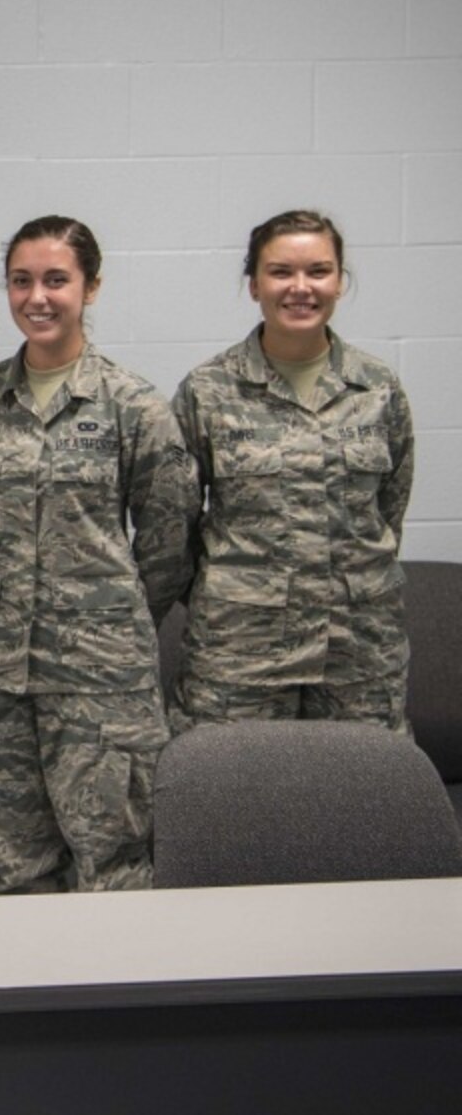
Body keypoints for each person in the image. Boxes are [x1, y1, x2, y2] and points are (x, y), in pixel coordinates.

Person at [0, 217, 196, 892]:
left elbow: (168, 544)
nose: (37, 297)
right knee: (17, 868)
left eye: (57, 280)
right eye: (21, 281)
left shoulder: (132, 405)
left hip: (101, 684)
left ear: (91, 287)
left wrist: (103, 622)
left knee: (114, 866)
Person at [172, 209, 414, 729]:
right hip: (240, 650)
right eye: (281, 272)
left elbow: (389, 511)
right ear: (254, 284)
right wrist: (236, 595)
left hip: (358, 650)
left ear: (340, 282)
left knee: (363, 799)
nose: (300, 288)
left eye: (318, 271)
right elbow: (175, 526)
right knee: (227, 797)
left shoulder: (378, 389)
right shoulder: (207, 391)